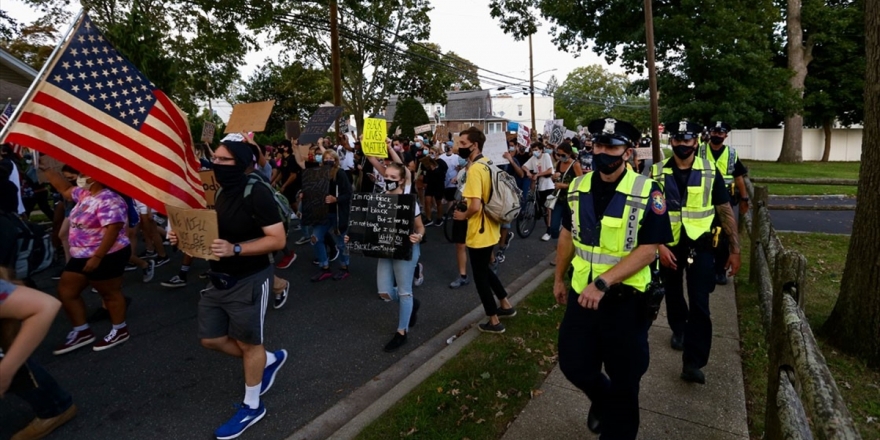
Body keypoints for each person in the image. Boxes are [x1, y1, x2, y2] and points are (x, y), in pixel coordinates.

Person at [554, 118, 672, 439]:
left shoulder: (649, 190)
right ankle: (602, 400)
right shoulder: (578, 187)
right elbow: (567, 235)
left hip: (626, 303)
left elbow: (649, 250)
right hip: (583, 298)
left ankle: (615, 418)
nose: (604, 152)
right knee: (573, 364)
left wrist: (604, 282)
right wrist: (559, 278)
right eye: (599, 145)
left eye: (612, 146)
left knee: (625, 381)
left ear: (627, 151)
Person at [168, 141, 287, 439]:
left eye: (224, 159)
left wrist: (236, 249)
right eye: (214, 157)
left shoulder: (256, 191)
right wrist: (182, 236)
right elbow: (217, 233)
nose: (215, 163)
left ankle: (252, 405)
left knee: (249, 344)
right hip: (219, 278)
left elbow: (277, 240)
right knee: (211, 339)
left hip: (250, 278)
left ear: (243, 163)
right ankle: (268, 360)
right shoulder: (221, 192)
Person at [652, 120, 741, 384]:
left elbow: (725, 210)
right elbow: (647, 214)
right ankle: (678, 329)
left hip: (700, 246)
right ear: (672, 141)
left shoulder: (710, 171)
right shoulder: (657, 173)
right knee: (673, 293)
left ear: (696, 142)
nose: (681, 145)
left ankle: (693, 362)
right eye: (677, 140)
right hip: (668, 246)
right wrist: (658, 246)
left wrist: (734, 249)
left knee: (700, 303)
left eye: (687, 140)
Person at [38, 165, 135, 354]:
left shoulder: (109, 199)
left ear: (97, 177)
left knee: (109, 293)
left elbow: (113, 229)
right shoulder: (86, 195)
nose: (79, 178)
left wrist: (97, 257)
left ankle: (119, 329)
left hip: (107, 255)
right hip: (81, 255)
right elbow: (65, 189)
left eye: (83, 174)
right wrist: (46, 167)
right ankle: (82, 331)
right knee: (67, 291)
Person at [353, 160, 426, 352]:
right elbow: (367, 226)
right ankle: (411, 303)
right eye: (386, 177)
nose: (389, 180)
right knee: (384, 292)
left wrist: (418, 236)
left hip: (405, 250)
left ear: (402, 181)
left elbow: (420, 227)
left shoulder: (409, 201)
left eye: (393, 178)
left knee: (404, 291)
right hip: (384, 250)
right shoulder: (378, 198)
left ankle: (402, 332)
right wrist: (351, 237)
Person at [452, 127, 516, 333]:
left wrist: (463, 215)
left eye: (462, 144)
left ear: (474, 145)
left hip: (479, 230)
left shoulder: (475, 170)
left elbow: (475, 206)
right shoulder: (488, 163)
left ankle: (494, 321)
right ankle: (505, 304)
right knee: (486, 270)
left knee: (480, 277)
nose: (458, 147)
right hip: (491, 227)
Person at [697, 121, 749, 285]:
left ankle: (720, 270)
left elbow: (738, 177)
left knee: (724, 235)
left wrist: (744, 197)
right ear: (710, 133)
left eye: (721, 133)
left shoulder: (732, 154)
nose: (717, 135)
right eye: (714, 132)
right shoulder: (700, 150)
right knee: (704, 233)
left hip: (725, 199)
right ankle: (704, 267)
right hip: (702, 198)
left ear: (726, 135)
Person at [307, 150, 352, 282]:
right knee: (315, 238)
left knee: (341, 243)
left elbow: (348, 193)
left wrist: (336, 199)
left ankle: (344, 267)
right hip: (322, 214)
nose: (328, 160)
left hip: (337, 214)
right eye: (326, 158)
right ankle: (324, 267)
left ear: (336, 160)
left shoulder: (340, 173)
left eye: (331, 157)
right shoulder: (317, 174)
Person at [548, 142, 583, 241]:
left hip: (570, 200)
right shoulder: (559, 163)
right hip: (559, 198)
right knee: (554, 227)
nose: (560, 157)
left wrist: (564, 185)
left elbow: (581, 183)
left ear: (569, 154)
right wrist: (553, 177)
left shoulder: (575, 165)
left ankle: (563, 246)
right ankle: (558, 241)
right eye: (558, 154)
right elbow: (555, 180)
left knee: (569, 227)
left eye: (562, 155)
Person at [522, 142, 555, 241]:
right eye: (533, 150)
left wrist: (538, 174)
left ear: (541, 149)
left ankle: (549, 230)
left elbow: (549, 170)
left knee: (548, 208)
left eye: (536, 149)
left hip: (548, 185)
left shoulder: (546, 156)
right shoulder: (533, 158)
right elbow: (524, 166)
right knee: (542, 206)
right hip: (539, 186)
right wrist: (528, 172)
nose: (534, 152)